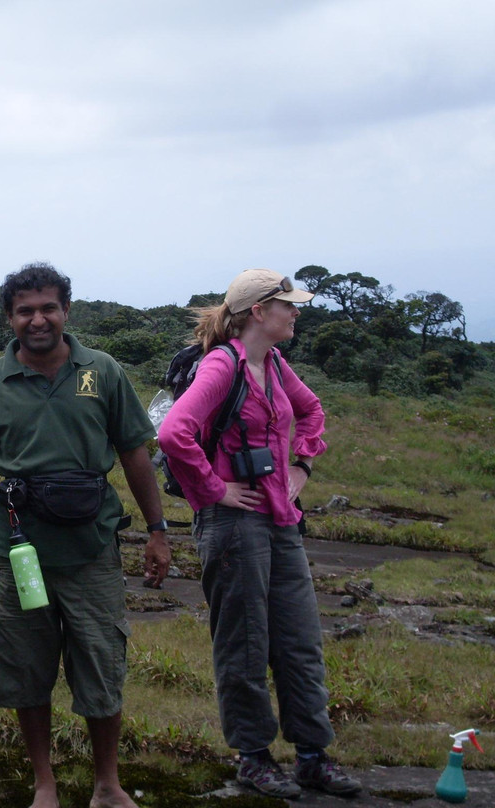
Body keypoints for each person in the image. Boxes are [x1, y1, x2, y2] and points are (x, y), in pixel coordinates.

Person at [0, 263, 171, 808]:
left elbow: (134, 453)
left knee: (100, 659)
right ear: (10, 318)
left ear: (66, 311)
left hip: (92, 546)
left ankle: (106, 784)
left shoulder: (104, 372)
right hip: (20, 551)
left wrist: (159, 531)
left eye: (49, 307)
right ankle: (44, 783)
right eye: (25, 310)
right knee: (26, 661)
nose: (38, 319)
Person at [157, 268, 362, 799]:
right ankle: (253, 757)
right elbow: (173, 432)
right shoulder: (223, 366)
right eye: (287, 305)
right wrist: (212, 489)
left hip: (279, 518)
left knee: (299, 642)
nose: (295, 312)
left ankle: (313, 756)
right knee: (245, 645)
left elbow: (312, 411)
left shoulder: (271, 363)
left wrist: (302, 469)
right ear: (257, 313)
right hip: (232, 525)